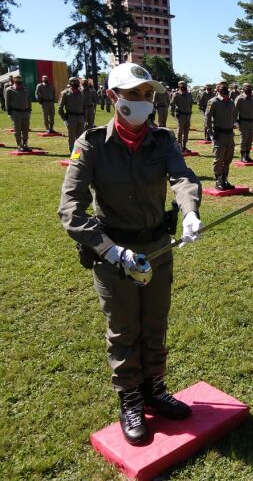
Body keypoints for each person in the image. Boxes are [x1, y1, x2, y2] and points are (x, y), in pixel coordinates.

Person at [58, 62, 202, 446]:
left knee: (155, 322)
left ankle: (154, 387)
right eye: (133, 94)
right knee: (124, 328)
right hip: (112, 254)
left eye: (147, 95)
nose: (141, 102)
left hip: (157, 247)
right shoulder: (89, 145)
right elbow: (70, 210)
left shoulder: (163, 139)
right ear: (113, 97)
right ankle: (131, 399)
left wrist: (190, 211)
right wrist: (109, 250)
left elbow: (182, 177)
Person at [205, 81, 237, 190]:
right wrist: (210, 133)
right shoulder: (213, 102)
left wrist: (234, 124)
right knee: (219, 159)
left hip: (229, 134)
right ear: (217, 88)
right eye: (221, 86)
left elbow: (234, 115)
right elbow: (207, 118)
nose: (224, 88)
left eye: (226, 86)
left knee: (228, 158)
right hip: (219, 135)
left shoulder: (231, 102)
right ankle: (218, 181)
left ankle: (225, 179)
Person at [4, 74, 32, 152]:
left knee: (26, 129)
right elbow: (7, 102)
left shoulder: (25, 89)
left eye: (20, 79)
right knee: (17, 129)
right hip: (15, 112)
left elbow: (29, 100)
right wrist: (9, 113)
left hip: (25, 112)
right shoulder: (9, 90)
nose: (19, 81)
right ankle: (19, 145)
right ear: (14, 79)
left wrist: (29, 110)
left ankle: (25, 144)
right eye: (17, 79)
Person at [59, 77, 87, 154]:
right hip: (71, 118)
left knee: (80, 137)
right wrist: (64, 119)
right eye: (75, 82)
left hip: (81, 117)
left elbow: (84, 106)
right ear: (71, 83)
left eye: (77, 82)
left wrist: (85, 118)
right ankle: (72, 153)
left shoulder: (82, 93)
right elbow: (60, 107)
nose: (77, 83)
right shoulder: (65, 93)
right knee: (71, 137)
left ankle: (77, 154)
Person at [234, 82, 253, 163]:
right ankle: (243, 156)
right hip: (243, 122)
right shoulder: (239, 98)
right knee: (244, 140)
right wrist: (235, 122)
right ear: (243, 88)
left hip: (252, 121)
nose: (249, 89)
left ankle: (247, 155)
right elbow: (235, 111)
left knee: (250, 140)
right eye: (247, 87)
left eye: (250, 87)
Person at [170, 81, 193, 152]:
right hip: (181, 115)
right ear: (179, 86)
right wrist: (172, 112)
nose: (184, 86)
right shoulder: (176, 94)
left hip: (188, 114)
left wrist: (190, 112)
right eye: (182, 85)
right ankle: (179, 146)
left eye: (185, 85)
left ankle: (184, 146)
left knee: (186, 131)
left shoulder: (189, 94)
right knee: (180, 131)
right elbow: (172, 104)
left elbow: (191, 103)